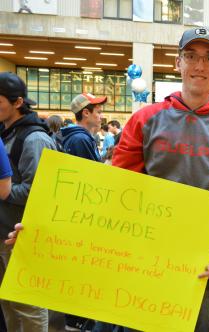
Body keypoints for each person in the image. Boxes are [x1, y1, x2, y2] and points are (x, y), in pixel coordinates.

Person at [111, 26, 209, 331]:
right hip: (143, 261)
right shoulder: (145, 120)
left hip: (202, 268)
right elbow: (116, 191)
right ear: (177, 63)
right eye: (190, 56)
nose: (199, 65)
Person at [0, 71, 56, 332]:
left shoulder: (34, 138)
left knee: (29, 305)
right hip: (6, 233)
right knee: (8, 301)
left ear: (17, 102)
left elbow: (40, 190)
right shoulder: (8, 134)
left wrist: (4, 190)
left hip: (23, 236)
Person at [61, 93, 107, 331]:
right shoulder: (80, 140)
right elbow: (91, 181)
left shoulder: (78, 138)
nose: (101, 116)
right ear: (85, 113)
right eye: (97, 111)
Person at [61, 93, 106, 162]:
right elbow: (93, 171)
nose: (102, 116)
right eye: (99, 112)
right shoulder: (81, 139)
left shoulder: (77, 136)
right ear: (86, 113)